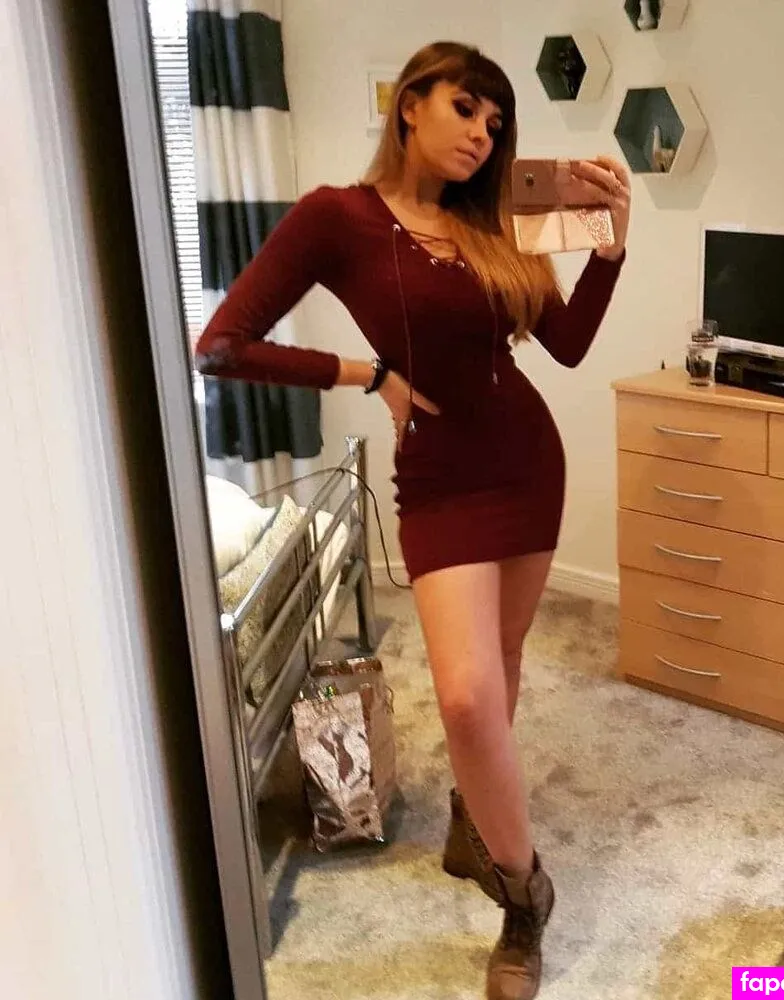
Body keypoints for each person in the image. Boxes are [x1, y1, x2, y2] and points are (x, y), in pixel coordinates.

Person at [195, 40, 629, 1000]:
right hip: (438, 477)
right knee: (467, 697)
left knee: (501, 662)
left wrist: (609, 252)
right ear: (409, 104)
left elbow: (563, 345)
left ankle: (477, 827)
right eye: (465, 108)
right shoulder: (335, 216)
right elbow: (221, 345)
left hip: (527, 460)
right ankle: (525, 894)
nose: (482, 134)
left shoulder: (497, 219)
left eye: (496, 123)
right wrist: (370, 374)